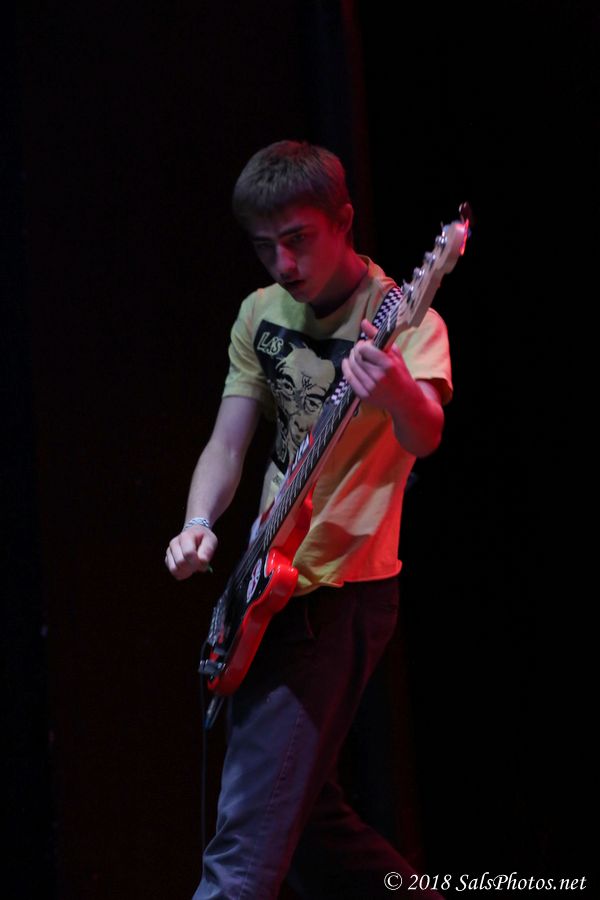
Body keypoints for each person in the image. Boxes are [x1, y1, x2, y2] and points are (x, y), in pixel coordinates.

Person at [165, 140, 452, 899]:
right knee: (313, 837)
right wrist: (198, 521)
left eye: (298, 239)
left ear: (344, 220)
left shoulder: (409, 321)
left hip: (344, 592)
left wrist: (395, 390)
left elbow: (425, 432)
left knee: (242, 852)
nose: (282, 263)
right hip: (268, 582)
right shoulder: (260, 312)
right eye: (265, 246)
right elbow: (229, 441)